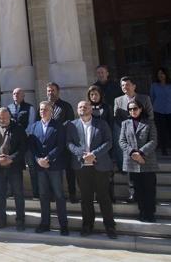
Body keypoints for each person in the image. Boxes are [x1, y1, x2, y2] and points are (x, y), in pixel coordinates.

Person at [67, 100, 117, 239]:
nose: (83, 109)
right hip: (81, 167)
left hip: (100, 166)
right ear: (77, 110)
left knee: (104, 197)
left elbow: (109, 142)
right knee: (86, 198)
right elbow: (69, 143)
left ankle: (110, 226)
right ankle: (87, 225)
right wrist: (82, 155)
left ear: (91, 109)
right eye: (80, 107)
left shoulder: (101, 123)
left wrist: (93, 154)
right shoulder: (72, 125)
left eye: (85, 106)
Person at [28, 101, 69, 235]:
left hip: (54, 166)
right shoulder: (34, 127)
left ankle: (63, 225)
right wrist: (38, 160)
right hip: (40, 167)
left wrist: (48, 158)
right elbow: (32, 147)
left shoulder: (58, 126)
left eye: (45, 109)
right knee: (43, 195)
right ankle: (45, 223)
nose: (42, 111)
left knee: (59, 195)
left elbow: (60, 145)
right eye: (41, 109)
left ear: (51, 111)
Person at [0, 107, 27, 231]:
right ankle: (1, 220)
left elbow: (23, 147)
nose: (2, 120)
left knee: (18, 194)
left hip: (14, 167)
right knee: (0, 194)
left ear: (10, 117)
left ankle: (20, 221)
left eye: (4, 117)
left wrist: (11, 158)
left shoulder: (18, 128)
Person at [114, 76, 154, 200]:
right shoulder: (118, 100)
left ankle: (149, 199)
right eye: (122, 85)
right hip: (128, 140)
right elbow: (117, 118)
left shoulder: (144, 98)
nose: (125, 87)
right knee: (131, 170)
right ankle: (133, 193)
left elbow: (150, 116)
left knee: (147, 173)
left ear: (134, 86)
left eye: (127, 85)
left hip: (144, 138)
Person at [119, 99, 158, 222]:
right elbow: (122, 141)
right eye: (130, 109)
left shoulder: (149, 123)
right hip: (132, 161)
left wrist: (141, 153)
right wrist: (132, 153)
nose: (132, 111)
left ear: (141, 109)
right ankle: (142, 212)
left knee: (149, 189)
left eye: (135, 108)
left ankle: (150, 213)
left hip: (147, 161)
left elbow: (153, 141)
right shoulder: (125, 123)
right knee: (138, 189)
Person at [47, 82, 77, 203]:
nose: (50, 93)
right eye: (48, 91)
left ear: (58, 91)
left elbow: (70, 123)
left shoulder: (66, 106)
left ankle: (72, 194)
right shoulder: (43, 107)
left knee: (69, 170)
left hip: (64, 144)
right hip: (50, 145)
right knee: (52, 171)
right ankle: (54, 194)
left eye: (52, 90)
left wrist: (56, 129)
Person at [87, 85, 116, 203]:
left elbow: (111, 124)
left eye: (96, 94)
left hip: (105, 143)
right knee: (93, 172)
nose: (94, 97)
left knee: (107, 171)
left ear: (100, 95)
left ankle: (110, 195)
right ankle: (96, 196)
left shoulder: (107, 107)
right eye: (91, 95)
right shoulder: (87, 107)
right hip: (92, 143)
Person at [8, 88, 38, 199]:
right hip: (14, 144)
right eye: (14, 93)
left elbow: (31, 124)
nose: (16, 95)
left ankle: (36, 193)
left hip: (27, 142)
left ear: (23, 95)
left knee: (32, 167)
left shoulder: (30, 108)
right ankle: (14, 192)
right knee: (14, 167)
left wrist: (21, 135)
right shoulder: (9, 108)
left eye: (18, 93)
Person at [151, 67, 171, 156]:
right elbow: (152, 98)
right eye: (159, 74)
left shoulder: (170, 85)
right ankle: (163, 149)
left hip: (169, 110)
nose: (161, 75)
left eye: (162, 73)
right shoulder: (154, 85)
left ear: (166, 74)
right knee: (161, 130)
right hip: (158, 111)